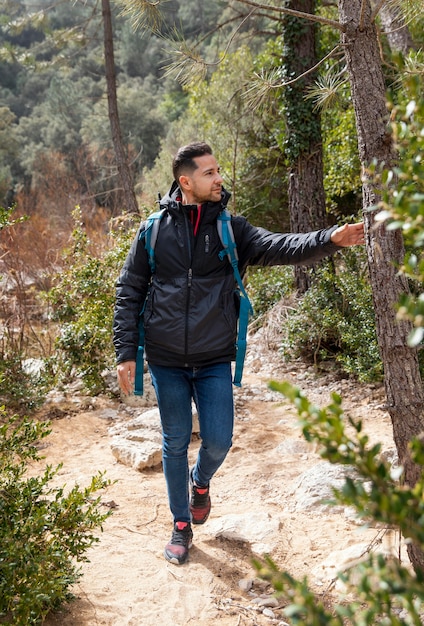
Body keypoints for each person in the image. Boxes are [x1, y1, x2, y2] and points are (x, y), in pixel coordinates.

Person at [113, 141, 365, 565]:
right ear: (185, 181)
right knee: (174, 441)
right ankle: (180, 525)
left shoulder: (232, 229)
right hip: (166, 359)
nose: (219, 179)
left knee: (219, 440)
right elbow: (129, 291)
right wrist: (125, 352)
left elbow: (283, 246)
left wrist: (331, 239)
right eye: (210, 173)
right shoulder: (153, 230)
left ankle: (201, 482)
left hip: (213, 357)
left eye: (218, 171)